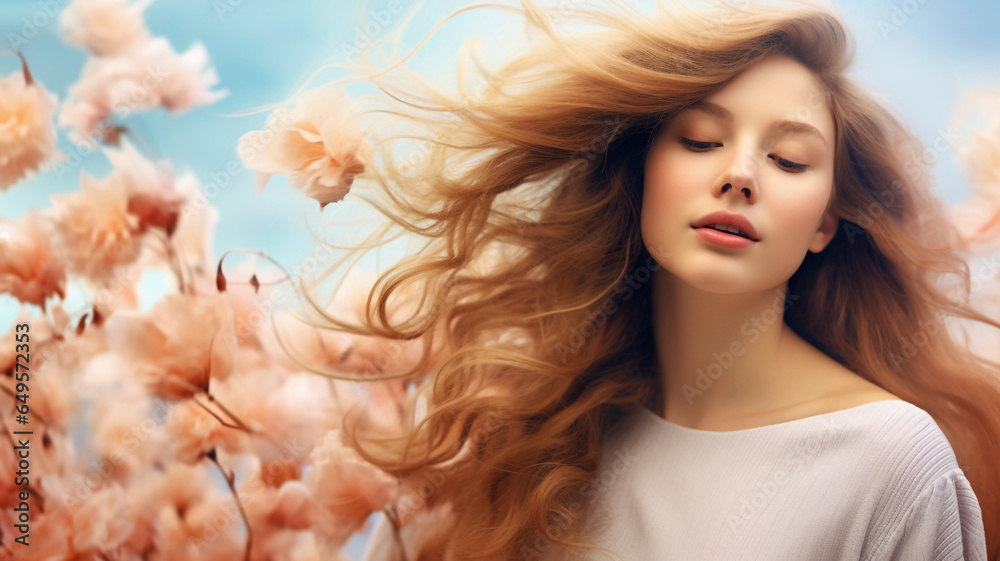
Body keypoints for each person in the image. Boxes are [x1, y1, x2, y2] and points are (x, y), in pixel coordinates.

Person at [290, 1, 1000, 559]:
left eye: (788, 160)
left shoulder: (891, 464)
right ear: (640, 174)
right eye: (700, 140)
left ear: (824, 222)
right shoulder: (523, 437)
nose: (739, 174)